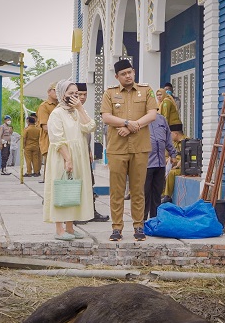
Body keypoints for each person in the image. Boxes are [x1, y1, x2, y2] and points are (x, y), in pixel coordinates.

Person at [101, 60, 157, 241]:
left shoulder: (146, 90)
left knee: (138, 189)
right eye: (123, 74)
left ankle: (138, 226)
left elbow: (152, 114)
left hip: (140, 148)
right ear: (117, 77)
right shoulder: (110, 93)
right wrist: (126, 123)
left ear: (134, 72)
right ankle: (117, 227)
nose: (128, 76)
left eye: (130, 72)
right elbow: (106, 117)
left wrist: (134, 126)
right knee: (116, 190)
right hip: (117, 149)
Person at [43, 80, 96, 240]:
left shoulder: (76, 111)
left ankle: (70, 227)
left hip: (79, 155)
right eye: (70, 94)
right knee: (62, 189)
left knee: (74, 190)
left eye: (76, 94)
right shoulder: (57, 113)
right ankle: (59, 229)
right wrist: (68, 159)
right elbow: (57, 139)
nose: (74, 97)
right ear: (62, 95)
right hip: (63, 156)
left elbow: (90, 127)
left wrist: (80, 108)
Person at [76, 82, 109, 223]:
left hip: (85, 152)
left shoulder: (83, 110)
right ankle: (75, 215)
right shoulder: (69, 111)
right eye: (79, 94)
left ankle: (91, 212)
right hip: (75, 153)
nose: (82, 97)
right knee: (77, 183)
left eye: (85, 94)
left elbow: (88, 132)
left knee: (90, 182)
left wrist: (89, 150)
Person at [144, 113, 177, 220]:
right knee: (144, 194)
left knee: (157, 193)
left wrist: (173, 154)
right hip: (145, 164)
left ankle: (155, 219)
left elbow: (168, 139)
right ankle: (141, 221)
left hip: (160, 163)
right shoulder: (140, 117)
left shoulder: (161, 119)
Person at [37, 82, 58, 183]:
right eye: (55, 90)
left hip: (60, 141)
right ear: (49, 92)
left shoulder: (61, 105)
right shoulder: (44, 106)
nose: (57, 92)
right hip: (49, 141)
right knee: (51, 168)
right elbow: (45, 127)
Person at [161, 125, 187, 204]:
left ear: (176, 134)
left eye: (170, 134)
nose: (170, 136)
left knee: (172, 173)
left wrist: (177, 166)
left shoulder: (186, 141)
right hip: (174, 163)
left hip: (183, 165)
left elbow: (185, 156)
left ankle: (167, 196)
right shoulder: (174, 143)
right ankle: (161, 194)